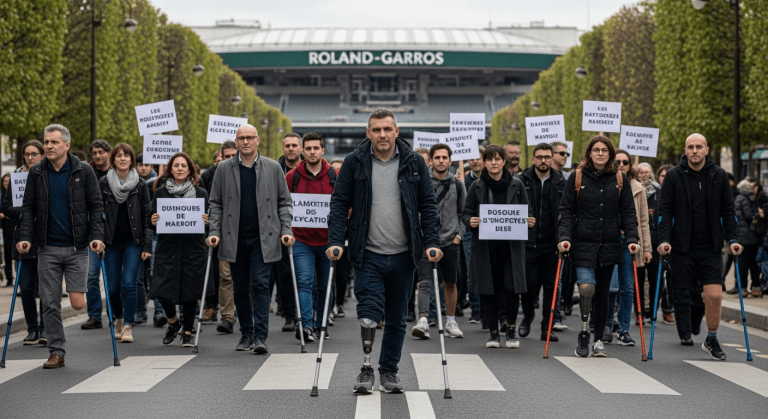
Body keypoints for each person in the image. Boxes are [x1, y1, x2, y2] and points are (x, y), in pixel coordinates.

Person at [327, 109, 441, 394]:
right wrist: (335, 240)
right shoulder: (355, 162)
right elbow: (339, 203)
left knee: (397, 317)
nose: (382, 135)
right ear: (368, 132)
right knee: (368, 312)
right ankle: (366, 368)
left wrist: (433, 242)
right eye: (376, 129)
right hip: (368, 253)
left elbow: (427, 205)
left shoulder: (414, 162)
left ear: (396, 131)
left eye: (387, 129)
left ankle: (389, 370)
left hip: (405, 254)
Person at [18, 124, 105, 369]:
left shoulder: (83, 170)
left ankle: (61, 341)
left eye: (54, 142)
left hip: (77, 247)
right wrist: (25, 238)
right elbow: (28, 209)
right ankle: (56, 351)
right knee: (49, 301)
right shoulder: (36, 172)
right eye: (46, 142)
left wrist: (97, 236)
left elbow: (96, 205)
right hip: (48, 248)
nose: (48, 146)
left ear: (66, 145)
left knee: (78, 303)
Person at [207, 124, 294, 354]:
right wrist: (214, 231)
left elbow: (284, 202)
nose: (245, 142)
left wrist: (286, 229)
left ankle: (261, 336)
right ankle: (246, 333)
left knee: (261, 284)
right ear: (236, 142)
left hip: (263, 237)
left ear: (257, 141)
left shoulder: (274, 167)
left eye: (249, 138)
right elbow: (215, 203)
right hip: (233, 237)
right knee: (240, 288)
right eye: (241, 138)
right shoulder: (224, 168)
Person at [658, 133, 740, 359]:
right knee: (682, 290)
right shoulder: (673, 176)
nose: (694, 151)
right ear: (685, 150)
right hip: (682, 247)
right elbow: (665, 211)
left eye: (699, 147)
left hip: (711, 247)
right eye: (690, 147)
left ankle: (711, 339)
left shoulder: (719, 175)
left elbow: (728, 210)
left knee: (714, 296)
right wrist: (664, 239)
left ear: (706, 150)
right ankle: (686, 332)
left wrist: (733, 239)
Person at [557, 135, 639, 358]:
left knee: (603, 293)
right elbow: (566, 210)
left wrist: (633, 239)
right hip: (583, 243)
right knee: (586, 288)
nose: (600, 153)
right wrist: (564, 237)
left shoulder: (619, 179)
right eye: (596, 150)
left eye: (604, 150)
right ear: (589, 153)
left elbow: (629, 213)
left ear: (610, 153)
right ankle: (584, 333)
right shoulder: (577, 176)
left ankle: (599, 339)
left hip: (609, 244)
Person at [463, 145, 533, 349]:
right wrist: (471, 221)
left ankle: (510, 329)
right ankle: (493, 333)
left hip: (511, 248)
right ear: (484, 162)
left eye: (497, 159)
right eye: (489, 159)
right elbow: (466, 213)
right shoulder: (476, 186)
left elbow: (526, 210)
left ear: (504, 161)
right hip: (485, 248)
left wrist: (528, 221)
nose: (493, 162)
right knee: (489, 290)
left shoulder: (517, 185)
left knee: (511, 289)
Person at [150, 152, 211, 347]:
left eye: (183, 166)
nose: (180, 169)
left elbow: (208, 223)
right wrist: (153, 221)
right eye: (176, 165)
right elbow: (152, 221)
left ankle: (187, 331)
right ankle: (173, 323)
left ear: (190, 170)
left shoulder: (201, 193)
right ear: (170, 169)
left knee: (190, 292)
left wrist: (205, 222)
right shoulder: (160, 193)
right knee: (162, 290)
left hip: (193, 248)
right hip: (168, 248)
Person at [285, 132, 337, 341]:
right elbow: (283, 205)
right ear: (302, 151)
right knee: (304, 282)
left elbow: (345, 205)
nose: (312, 152)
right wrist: (286, 230)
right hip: (301, 240)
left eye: (316, 148)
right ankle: (305, 326)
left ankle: (320, 324)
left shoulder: (335, 175)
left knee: (325, 285)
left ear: (322, 150)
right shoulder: (292, 177)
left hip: (328, 241)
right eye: (308, 148)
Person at [411, 143, 466, 340]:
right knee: (424, 281)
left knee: (451, 282)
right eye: (437, 158)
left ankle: (450, 320)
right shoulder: (421, 183)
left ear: (450, 161)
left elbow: (463, 213)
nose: (441, 161)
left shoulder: (458, 185)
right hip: (426, 240)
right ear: (431, 160)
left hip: (451, 241)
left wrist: (459, 235)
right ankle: (423, 319)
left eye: (444, 158)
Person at [99, 144, 152, 344]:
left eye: (126, 156)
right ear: (113, 160)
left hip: (133, 241)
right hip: (111, 242)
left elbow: (147, 216)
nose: (122, 159)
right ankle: (119, 318)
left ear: (132, 161)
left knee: (129, 283)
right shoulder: (104, 183)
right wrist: (97, 238)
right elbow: (96, 212)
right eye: (118, 156)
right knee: (112, 288)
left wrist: (147, 246)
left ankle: (128, 325)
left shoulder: (140, 185)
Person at [603, 150, 652, 346]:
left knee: (627, 288)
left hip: (629, 243)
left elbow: (644, 221)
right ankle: (606, 325)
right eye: (617, 161)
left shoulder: (638, 188)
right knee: (610, 287)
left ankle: (624, 329)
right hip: (608, 241)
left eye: (625, 162)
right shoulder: (605, 183)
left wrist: (646, 247)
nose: (621, 164)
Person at [519, 143, 565, 342]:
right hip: (528, 243)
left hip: (552, 244)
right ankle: (528, 315)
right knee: (528, 285)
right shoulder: (521, 180)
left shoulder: (561, 181)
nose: (543, 160)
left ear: (552, 158)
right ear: (533, 159)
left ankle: (547, 326)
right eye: (540, 157)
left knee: (551, 287)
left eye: (547, 157)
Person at [1, 140, 46, 345]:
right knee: (26, 287)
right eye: (27, 154)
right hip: (24, 239)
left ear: (42, 155)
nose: (29, 157)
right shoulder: (17, 178)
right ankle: (33, 328)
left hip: (45, 238)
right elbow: (6, 207)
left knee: (45, 288)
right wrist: (26, 213)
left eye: (34, 154)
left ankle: (46, 328)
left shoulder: (47, 176)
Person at [199, 140, 238, 329]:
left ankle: (246, 310)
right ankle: (227, 316)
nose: (230, 159)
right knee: (224, 275)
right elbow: (208, 200)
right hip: (221, 230)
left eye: (233, 155)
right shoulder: (209, 175)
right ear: (220, 156)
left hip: (243, 231)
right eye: (226, 156)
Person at [636, 162, 674, 324]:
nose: (645, 175)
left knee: (655, 279)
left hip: (655, 241)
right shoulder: (635, 192)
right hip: (639, 242)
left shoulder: (659, 192)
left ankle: (651, 312)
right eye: (641, 172)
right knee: (637, 280)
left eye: (647, 172)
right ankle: (639, 312)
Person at [80, 139, 111, 330]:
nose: (98, 156)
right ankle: (94, 316)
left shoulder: (117, 173)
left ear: (108, 153)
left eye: (101, 152)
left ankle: (116, 315)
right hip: (92, 232)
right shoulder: (85, 173)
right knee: (91, 277)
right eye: (94, 153)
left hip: (113, 231)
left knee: (114, 278)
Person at [273, 133, 302, 331]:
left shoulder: (309, 168)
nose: (291, 149)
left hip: (307, 227)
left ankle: (308, 313)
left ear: (300, 148)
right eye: (287, 145)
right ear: (282, 148)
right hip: (281, 228)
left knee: (306, 275)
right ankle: (290, 315)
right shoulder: (274, 169)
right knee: (284, 275)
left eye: (294, 145)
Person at [463, 145, 485, 324]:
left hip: (492, 230)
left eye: (478, 157)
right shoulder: (463, 181)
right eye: (472, 158)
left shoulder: (493, 180)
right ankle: (476, 308)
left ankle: (489, 308)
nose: (475, 161)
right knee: (473, 271)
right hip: (471, 232)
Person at [733, 179, 765, 297]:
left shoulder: (739, 199)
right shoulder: (747, 199)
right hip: (750, 237)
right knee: (752, 263)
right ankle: (756, 287)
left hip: (741, 237)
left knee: (743, 264)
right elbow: (749, 216)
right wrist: (757, 215)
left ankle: (743, 288)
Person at [1, 173, 14, 285]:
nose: (6, 183)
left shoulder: (14, 195)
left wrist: (5, 213)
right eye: (5, 181)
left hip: (13, 225)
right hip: (4, 227)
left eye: (8, 181)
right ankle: (9, 278)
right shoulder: (1, 195)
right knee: (7, 252)